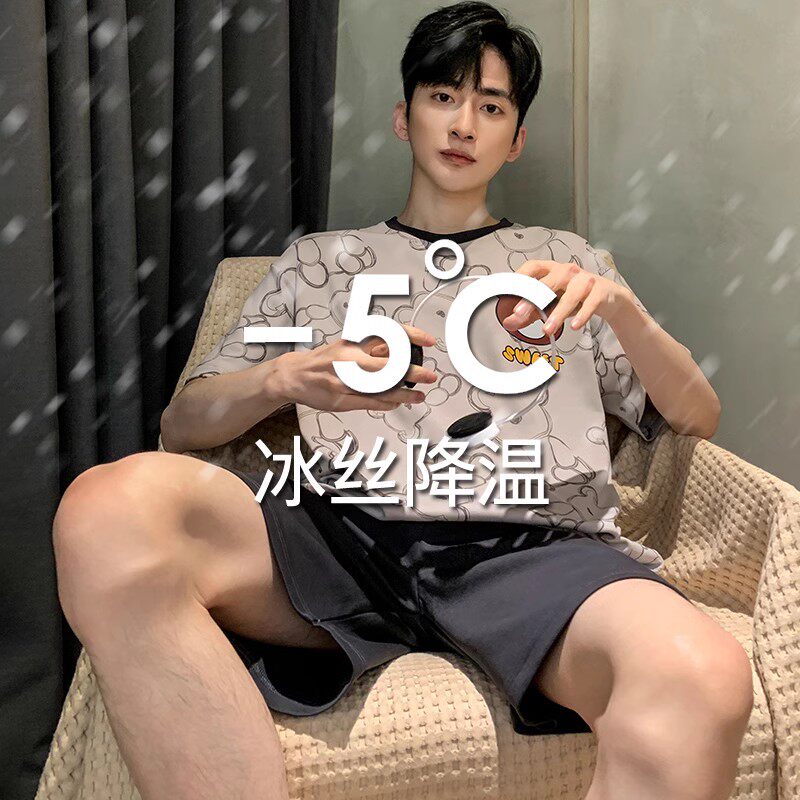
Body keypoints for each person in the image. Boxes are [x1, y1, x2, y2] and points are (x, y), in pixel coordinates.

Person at [52, 3, 752, 799]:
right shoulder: (318, 262)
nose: (464, 123)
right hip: (339, 535)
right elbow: (182, 425)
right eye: (442, 96)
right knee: (106, 511)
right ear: (403, 116)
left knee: (704, 676)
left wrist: (622, 309)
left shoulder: (566, 262)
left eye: (491, 106)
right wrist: (283, 380)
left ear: (516, 140)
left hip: (529, 549)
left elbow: (696, 417)